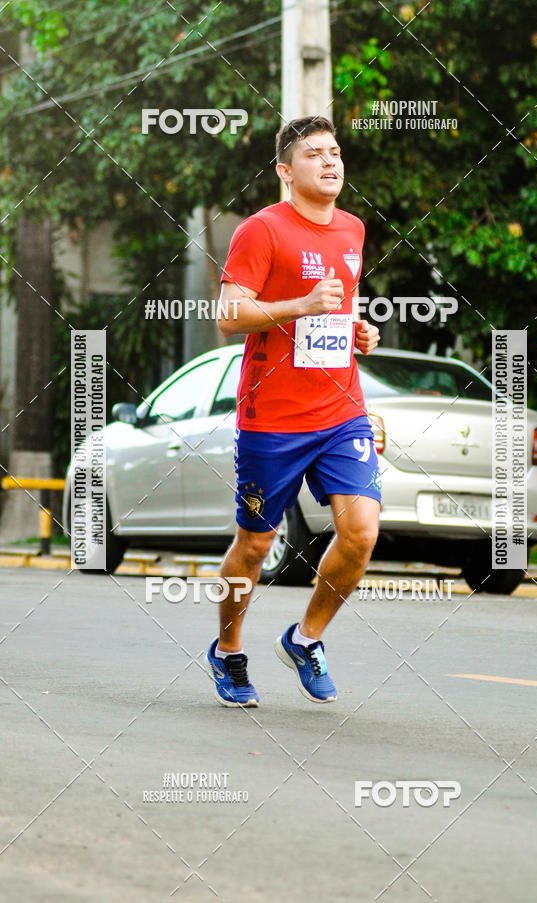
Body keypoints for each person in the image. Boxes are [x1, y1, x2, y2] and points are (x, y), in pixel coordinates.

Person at [204, 115, 381, 707]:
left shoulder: (353, 228)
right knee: (255, 546)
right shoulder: (261, 230)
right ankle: (228, 650)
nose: (330, 162)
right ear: (285, 170)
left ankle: (305, 639)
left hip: (340, 411)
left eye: (335, 152)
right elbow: (229, 315)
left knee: (361, 531)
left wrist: (356, 329)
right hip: (272, 418)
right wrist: (301, 304)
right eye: (314, 154)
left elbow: (340, 307)